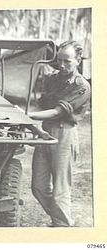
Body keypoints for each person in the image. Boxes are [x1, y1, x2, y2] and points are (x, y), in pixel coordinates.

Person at [28, 41, 91, 227]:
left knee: (60, 190)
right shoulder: (53, 79)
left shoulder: (82, 86)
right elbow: (42, 104)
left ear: (78, 60)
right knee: (38, 187)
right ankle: (63, 220)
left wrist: (26, 115)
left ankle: (62, 227)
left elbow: (57, 112)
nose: (62, 65)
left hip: (64, 133)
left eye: (67, 61)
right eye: (59, 60)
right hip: (46, 129)